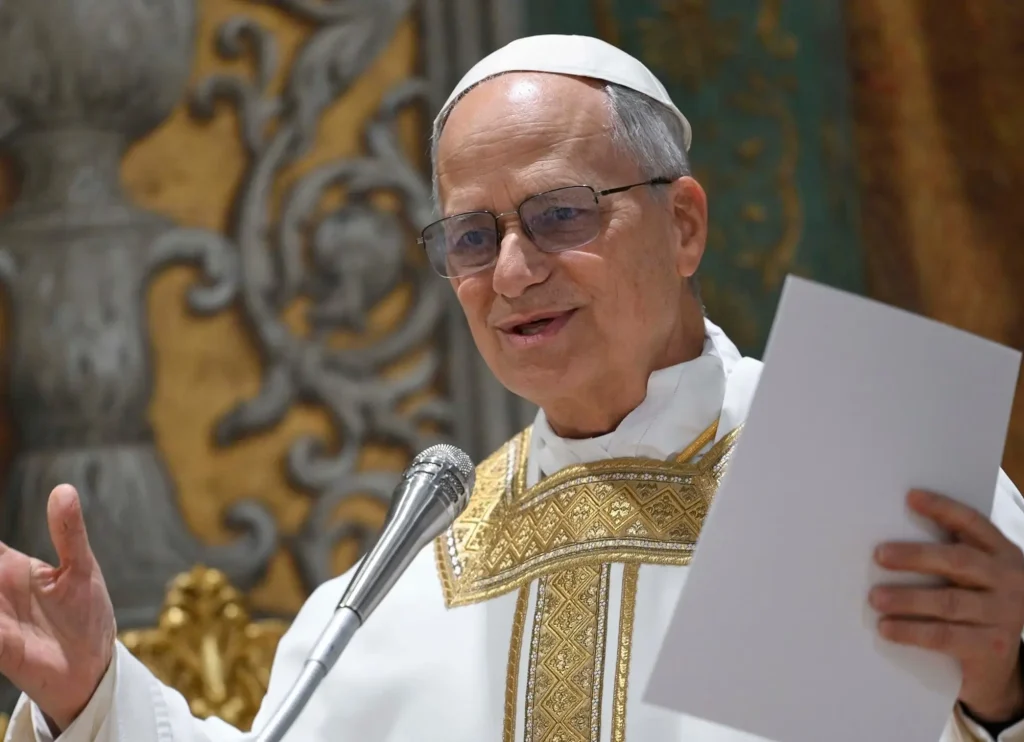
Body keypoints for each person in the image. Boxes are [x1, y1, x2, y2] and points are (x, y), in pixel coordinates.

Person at [2, 33, 1024, 742]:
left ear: (682, 226)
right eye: (470, 237)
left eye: (560, 215)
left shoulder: (869, 474)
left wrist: (1002, 689)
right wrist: (95, 697)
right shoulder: (418, 570)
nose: (514, 272)